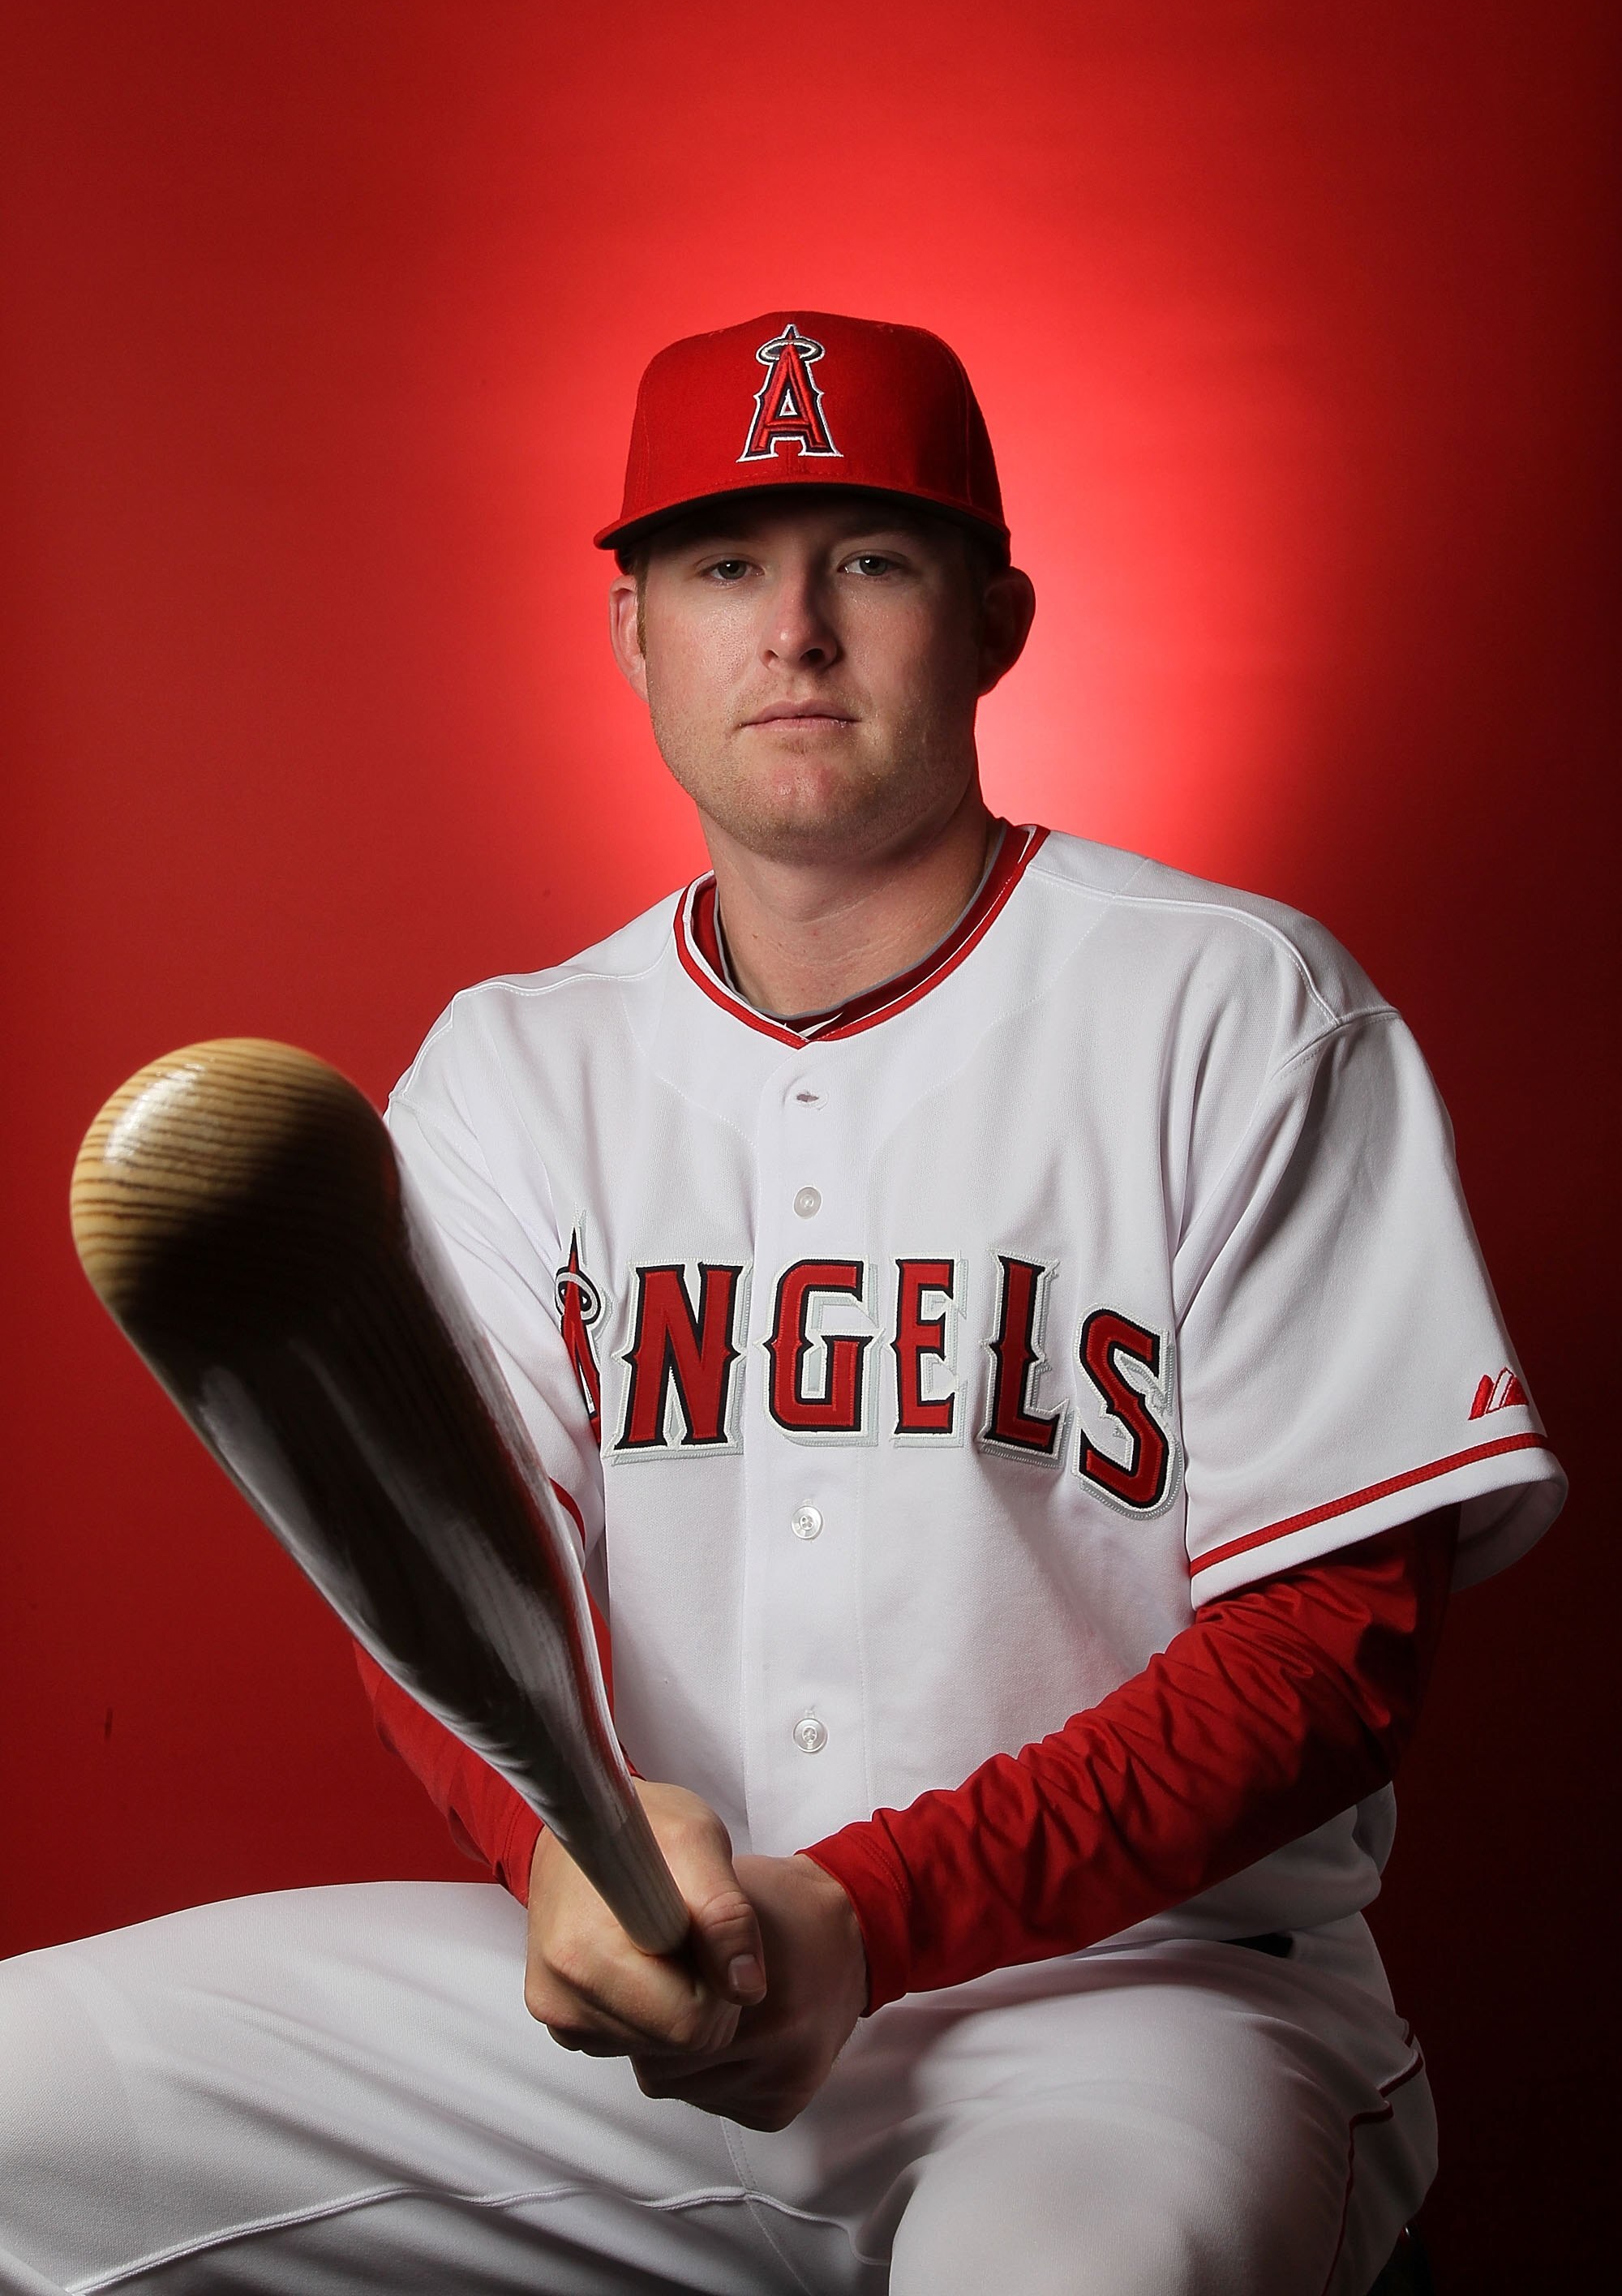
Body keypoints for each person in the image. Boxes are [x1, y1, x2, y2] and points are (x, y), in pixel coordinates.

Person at [0, 310, 1564, 2295]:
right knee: (21, 2097)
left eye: (871, 560)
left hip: (1133, 2011)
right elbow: (435, 1579)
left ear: (993, 620)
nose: (794, 628)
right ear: (633, 634)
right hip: (629, 2000)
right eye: (724, 564)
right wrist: (555, 1850)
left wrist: (867, 1910)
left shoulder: (1234, 1009)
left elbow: (1327, 1646)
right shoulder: (510, 1067)